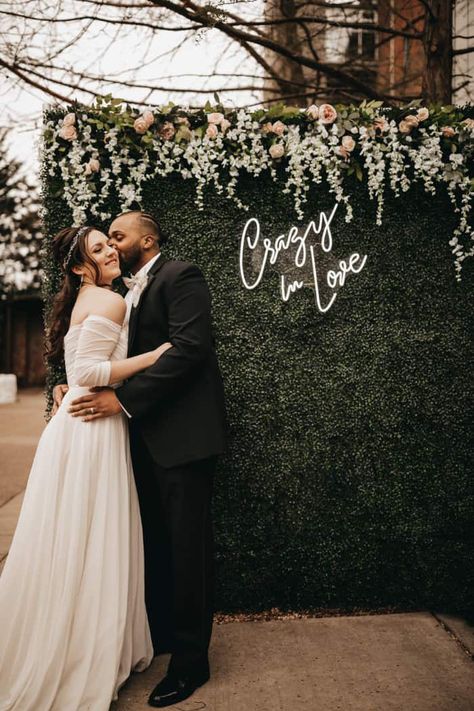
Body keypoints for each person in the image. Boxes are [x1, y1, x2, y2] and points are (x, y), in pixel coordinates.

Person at [56, 211, 227, 708]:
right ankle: (161, 641)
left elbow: (191, 349)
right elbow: (91, 350)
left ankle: (191, 664)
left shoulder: (180, 275)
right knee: (152, 546)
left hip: (182, 439)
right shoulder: (119, 292)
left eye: (118, 235)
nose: (111, 243)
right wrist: (77, 383)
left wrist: (122, 401)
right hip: (134, 440)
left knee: (187, 550)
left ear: (146, 239)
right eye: (104, 240)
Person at [0, 224, 172, 711]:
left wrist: (68, 389)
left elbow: (76, 370)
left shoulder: (89, 299)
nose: (111, 252)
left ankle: (79, 639)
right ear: (80, 267)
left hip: (77, 427)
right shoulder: (110, 300)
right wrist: (151, 358)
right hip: (91, 429)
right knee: (92, 534)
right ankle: (81, 651)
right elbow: (88, 374)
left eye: (110, 244)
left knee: (73, 535)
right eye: (98, 250)